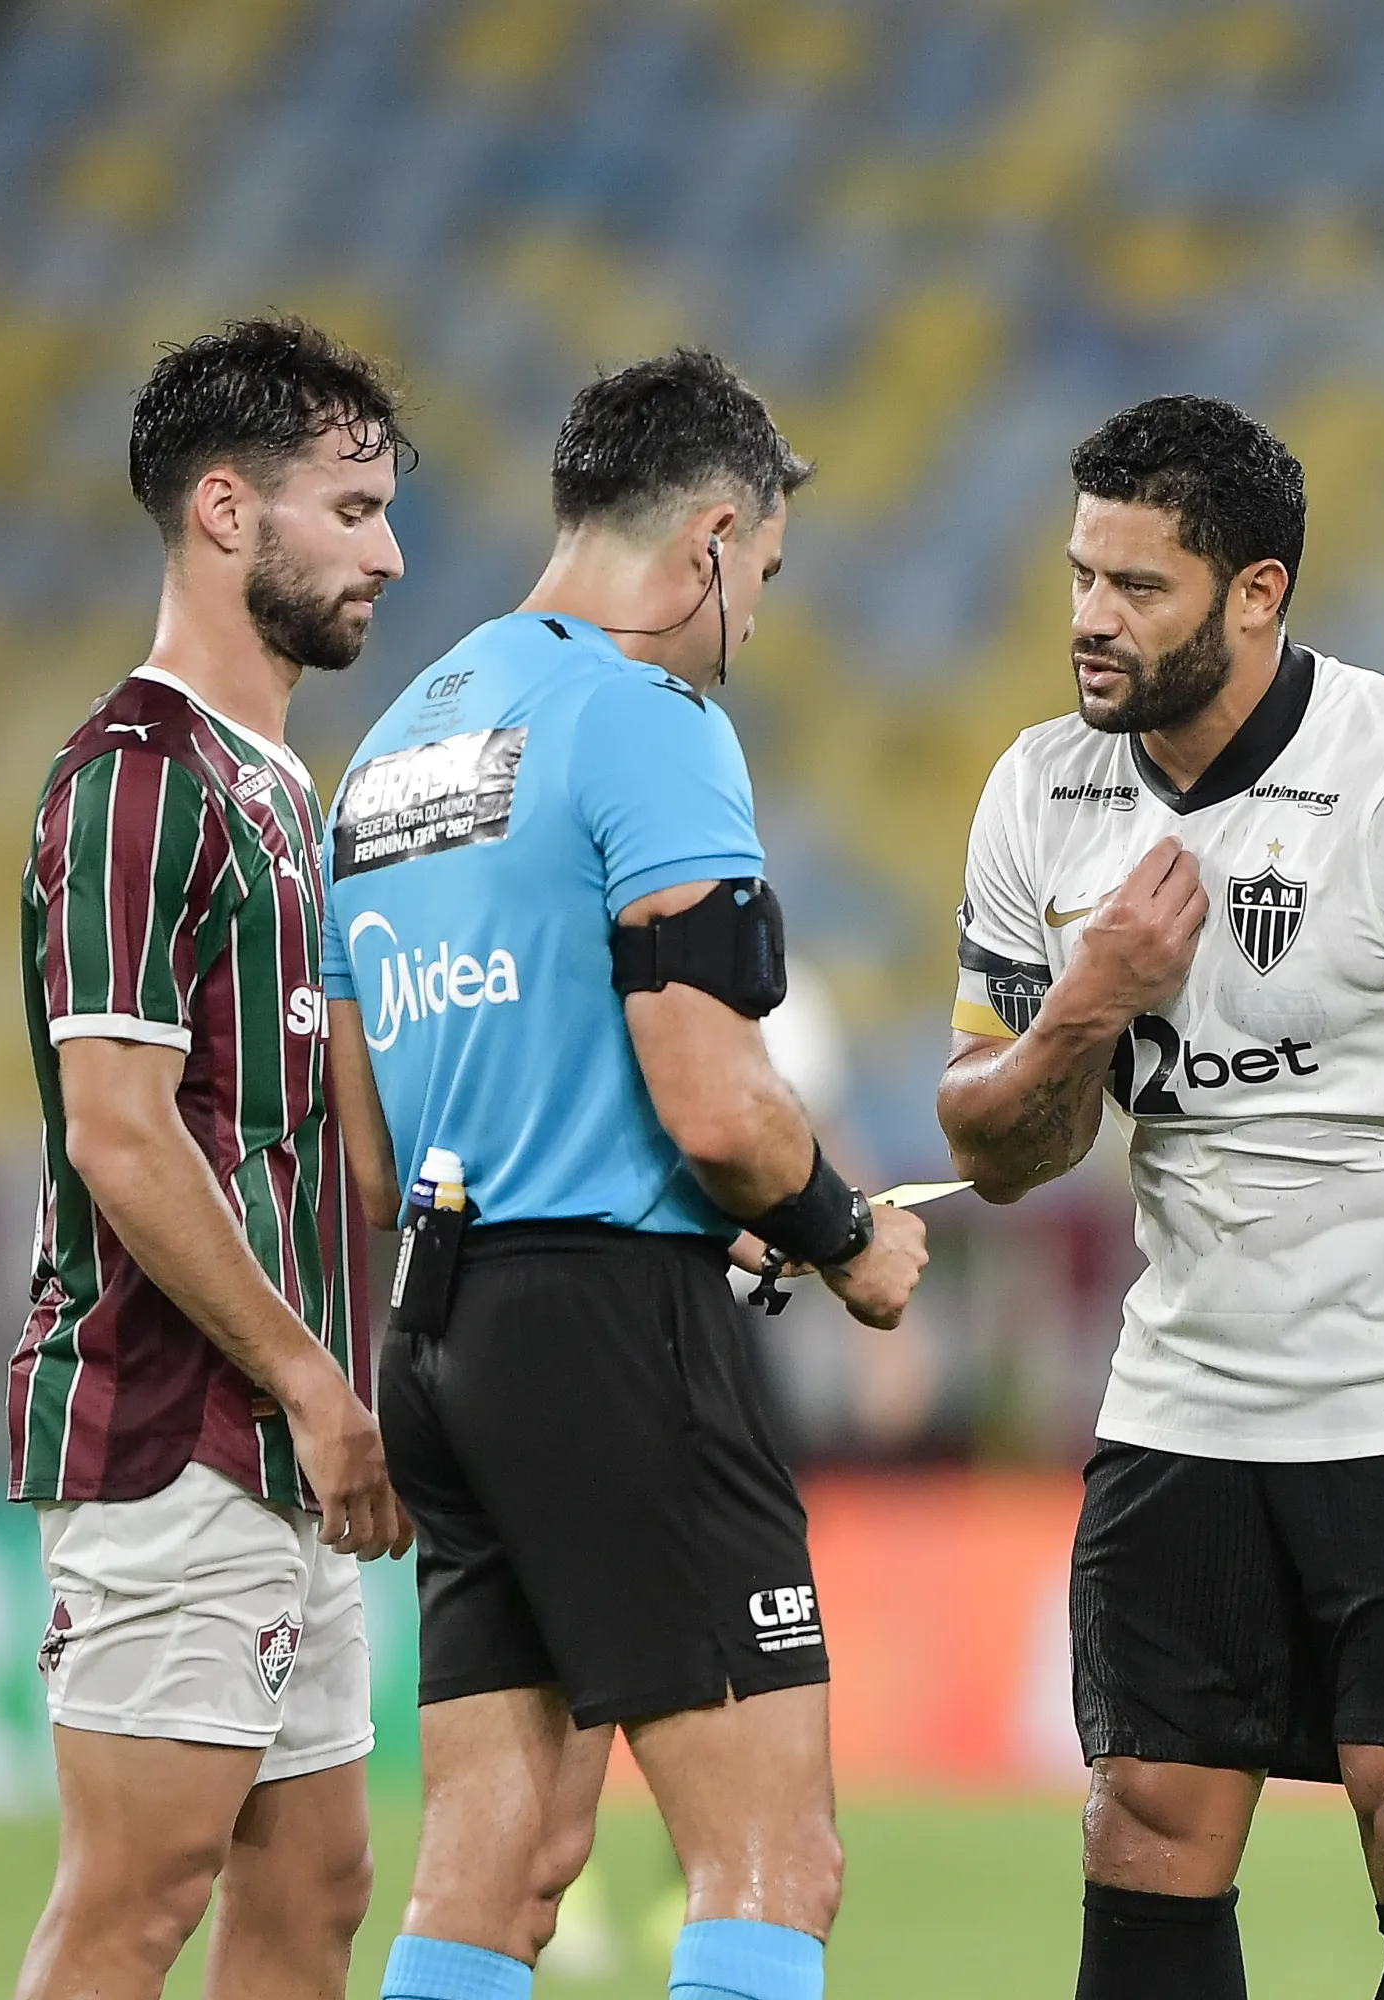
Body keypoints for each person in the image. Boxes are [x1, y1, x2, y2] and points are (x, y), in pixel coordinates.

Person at [937, 396, 1384, 2000]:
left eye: (1139, 588)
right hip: (1185, 1401)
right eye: (1080, 577)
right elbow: (996, 1144)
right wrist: (1092, 999)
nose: (1090, 622)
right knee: (1140, 1821)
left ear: (1256, 593)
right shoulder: (1040, 796)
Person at [317, 348, 927, 2000]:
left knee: (497, 1868)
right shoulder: (648, 724)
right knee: (771, 1862)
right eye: (768, 579)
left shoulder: (388, 756)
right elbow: (719, 1105)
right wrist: (844, 1238)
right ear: (714, 538)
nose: (756, 621)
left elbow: (364, 1157)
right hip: (613, 1326)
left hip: (439, 1338)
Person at [8, 316, 413, 2000]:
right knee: (137, 1894)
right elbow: (118, 1129)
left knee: (314, 1891)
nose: (391, 550)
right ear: (228, 510)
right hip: (177, 1427)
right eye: (354, 505)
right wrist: (316, 1383)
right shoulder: (134, 779)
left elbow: (328, 1137)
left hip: (289, 1439)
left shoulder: (280, 783)